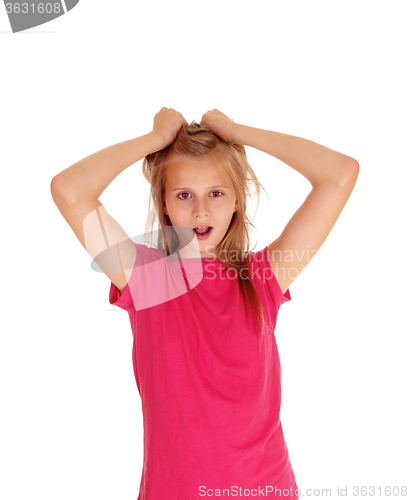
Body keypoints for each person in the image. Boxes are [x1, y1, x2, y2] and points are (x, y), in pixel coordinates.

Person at [50, 108, 359, 499]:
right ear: (163, 204)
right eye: (183, 195)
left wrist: (236, 132)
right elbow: (69, 190)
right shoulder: (146, 280)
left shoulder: (263, 277)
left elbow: (340, 173)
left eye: (216, 193)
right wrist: (155, 141)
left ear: (236, 201)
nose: (201, 210)